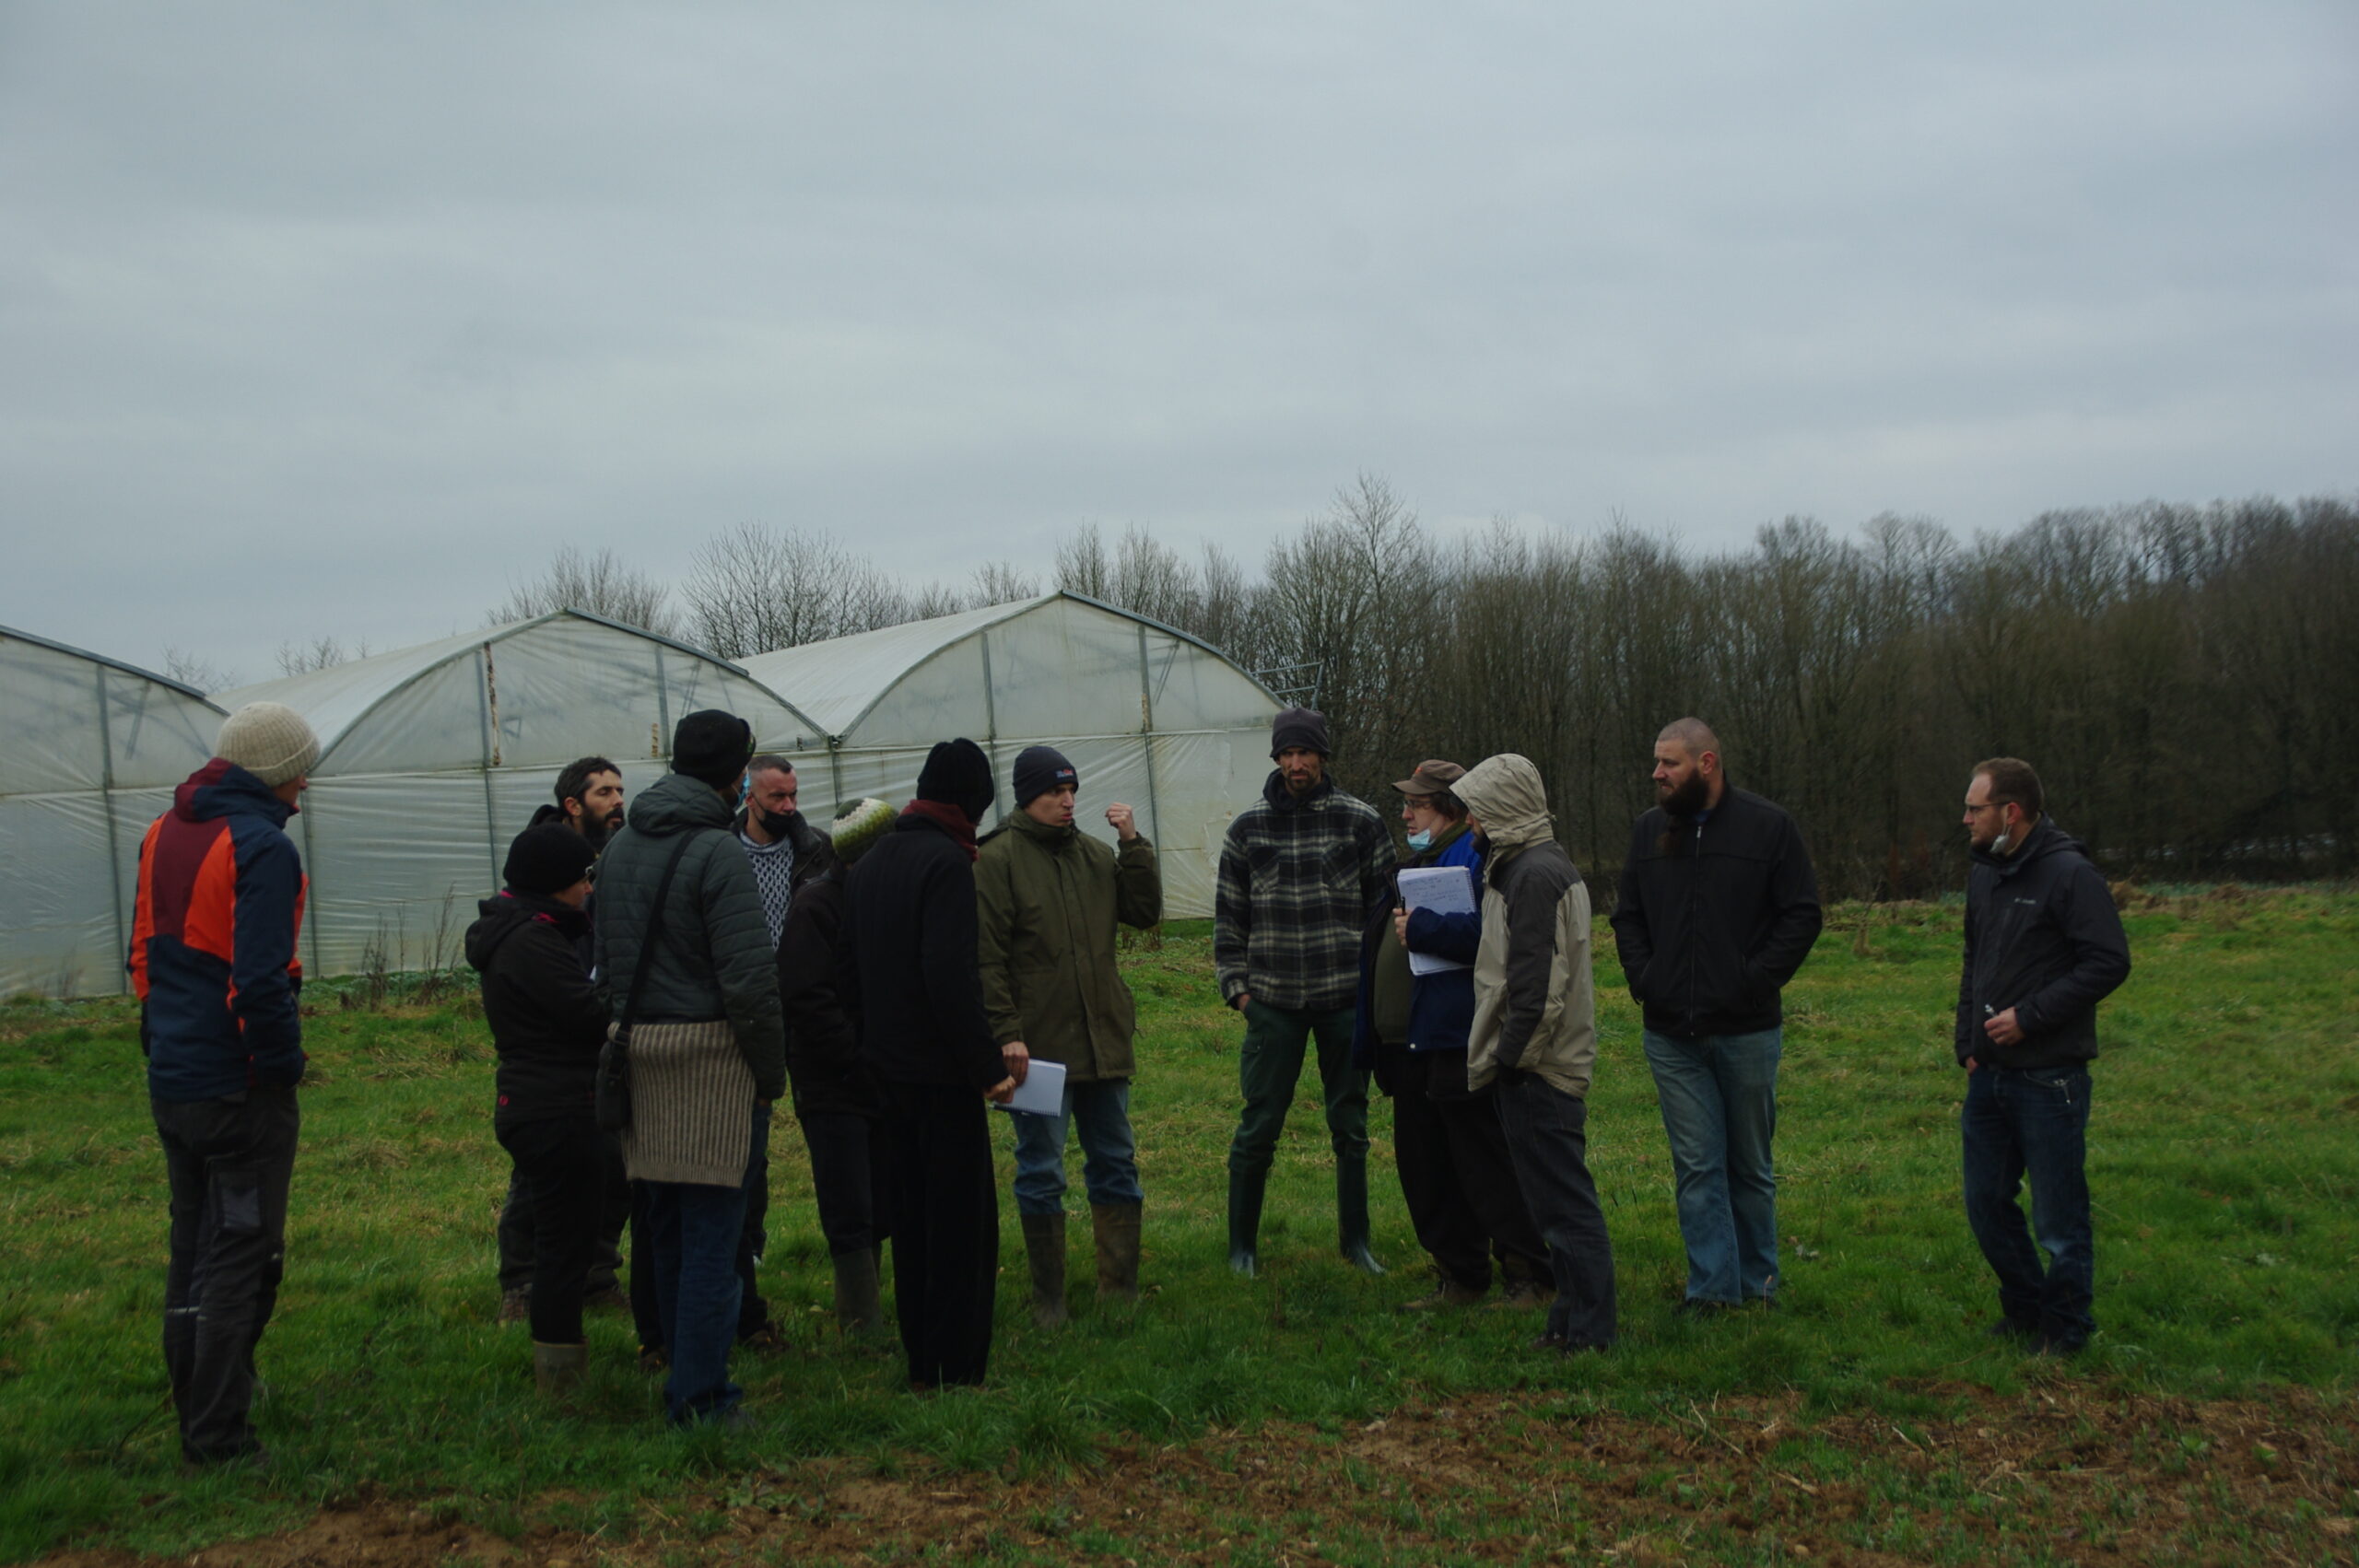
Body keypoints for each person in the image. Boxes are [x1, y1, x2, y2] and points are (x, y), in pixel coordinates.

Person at [128, 700, 319, 1469]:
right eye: (301, 770)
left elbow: (144, 955)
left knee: (192, 1248)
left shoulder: (162, 831)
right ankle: (218, 1437)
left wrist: (160, 1044)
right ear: (276, 773)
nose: (305, 785)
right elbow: (259, 981)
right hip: (238, 1089)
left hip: (175, 1077)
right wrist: (281, 1067)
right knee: (241, 1253)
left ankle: (198, 1398)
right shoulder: (262, 848)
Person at [594, 710, 784, 1425]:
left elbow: (606, 967)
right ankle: (702, 1399)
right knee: (713, 1239)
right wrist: (768, 1075)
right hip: (710, 1066)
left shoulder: (618, 848)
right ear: (737, 775)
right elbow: (749, 982)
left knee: (666, 1230)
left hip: (640, 1055)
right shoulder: (717, 851)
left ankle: (681, 1373)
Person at [1609, 719, 1822, 1314]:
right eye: (1657, 762)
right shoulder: (1649, 831)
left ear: (1706, 765)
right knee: (1698, 1165)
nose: (1657, 774)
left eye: (1669, 763)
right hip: (1670, 1034)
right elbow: (1627, 916)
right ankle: (1711, 1292)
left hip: (1747, 1031)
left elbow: (1802, 915)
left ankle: (1759, 1285)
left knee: (1749, 1165)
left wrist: (1752, 981)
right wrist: (1646, 979)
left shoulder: (1768, 827)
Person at [847, 739, 1015, 1389]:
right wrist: (986, 1066)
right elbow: (949, 976)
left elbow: (853, 968)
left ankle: (921, 1360)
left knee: (912, 1221)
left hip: (885, 1071)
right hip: (940, 1078)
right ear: (972, 802)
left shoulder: (872, 860)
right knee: (959, 1228)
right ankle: (956, 1367)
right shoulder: (945, 863)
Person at [1353, 760, 1550, 1310]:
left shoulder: (1476, 856)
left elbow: (1491, 936)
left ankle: (1528, 1273)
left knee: (1482, 1162)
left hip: (1454, 1038)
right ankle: (1460, 1274)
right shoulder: (1422, 860)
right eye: (1406, 803)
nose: (1406, 813)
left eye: (1418, 804)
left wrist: (1423, 927)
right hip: (1412, 1043)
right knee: (1428, 1167)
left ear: (1454, 809)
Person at [977, 745, 1163, 1326]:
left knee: (1116, 1160)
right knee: (1040, 1169)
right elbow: (987, 959)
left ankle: (1120, 1289)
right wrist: (1007, 1033)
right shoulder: (996, 860)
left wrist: (1134, 845)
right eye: (1054, 791)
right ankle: (1048, 1300)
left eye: (1072, 790)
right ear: (1025, 796)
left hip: (1103, 1038)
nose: (1067, 801)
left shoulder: (1094, 855)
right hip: (1036, 1050)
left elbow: (1144, 912)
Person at [1957, 757, 2130, 1356]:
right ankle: (2026, 1308)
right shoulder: (1984, 873)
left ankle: (2066, 1328)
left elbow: (2108, 961)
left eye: (1975, 808)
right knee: (1985, 1203)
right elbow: (1974, 961)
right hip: (1989, 1074)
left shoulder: (2070, 874)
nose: (1966, 819)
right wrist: (1967, 1045)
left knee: (2059, 1217)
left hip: (2050, 1076)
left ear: (2011, 812)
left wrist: (2030, 1018)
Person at [1216, 707, 1397, 1276]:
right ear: (1276, 758)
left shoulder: (1360, 822)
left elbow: (1387, 914)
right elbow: (1228, 921)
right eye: (1287, 754)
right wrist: (1240, 993)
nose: (1296, 764)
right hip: (1273, 1004)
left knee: (1351, 1125)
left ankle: (1356, 1243)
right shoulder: (1247, 830)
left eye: (1306, 753)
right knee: (1259, 1124)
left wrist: (1374, 992)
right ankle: (1242, 1248)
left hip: (1345, 1000)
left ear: (1323, 756)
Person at [1452, 753, 1617, 1352]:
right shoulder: (1528, 866)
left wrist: (1509, 1061)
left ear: (1502, 810)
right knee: (1553, 1209)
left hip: (1540, 1070)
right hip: (1537, 1063)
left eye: (1476, 810)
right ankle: (1568, 1322)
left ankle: (1591, 1333)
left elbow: (1536, 990)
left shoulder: (1533, 875)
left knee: (1566, 1208)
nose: (1469, 822)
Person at [467, 825, 607, 1393]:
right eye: (582, 878)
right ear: (552, 883)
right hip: (555, 1106)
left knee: (564, 1238)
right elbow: (585, 1015)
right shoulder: (531, 942)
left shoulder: (522, 932)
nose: (588, 889)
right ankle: (559, 1372)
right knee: (563, 1246)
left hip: (537, 1100)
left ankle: (560, 1360)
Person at [499, 755, 631, 1327]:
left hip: (599, 1034)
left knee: (612, 1162)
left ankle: (597, 1274)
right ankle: (522, 1282)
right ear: (573, 805)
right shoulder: (542, 864)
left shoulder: (618, 857)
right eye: (604, 792)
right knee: (543, 1174)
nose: (618, 801)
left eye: (620, 789)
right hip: (554, 1043)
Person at [778, 797, 898, 1337]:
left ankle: (870, 1309)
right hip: (832, 1081)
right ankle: (859, 1323)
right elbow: (807, 999)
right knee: (848, 1199)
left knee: (879, 1193)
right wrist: (855, 1058)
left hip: (878, 1074)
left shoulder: (879, 898)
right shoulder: (816, 908)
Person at [722, 753, 824, 1352]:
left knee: (824, 1121)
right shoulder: (721, 852)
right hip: (746, 1010)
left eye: (793, 795)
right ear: (749, 797)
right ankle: (749, 1247)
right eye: (776, 798)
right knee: (747, 1140)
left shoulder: (814, 850)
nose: (788, 807)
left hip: (803, 1004)